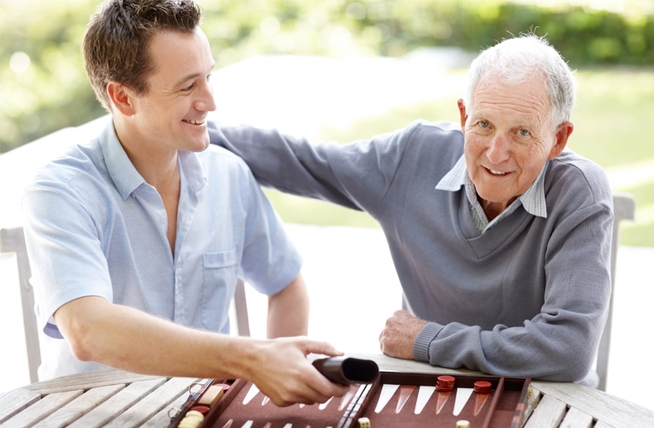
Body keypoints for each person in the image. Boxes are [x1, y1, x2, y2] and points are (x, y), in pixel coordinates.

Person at [208, 33, 614, 385]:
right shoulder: (413, 156)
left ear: (558, 139)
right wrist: (194, 130)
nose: (496, 153)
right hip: (429, 387)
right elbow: (307, 162)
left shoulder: (579, 192)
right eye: (483, 124)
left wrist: (428, 339)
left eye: (522, 132)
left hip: (543, 396)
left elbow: (568, 349)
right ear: (463, 116)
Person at [22, 0, 348, 406]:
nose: (210, 101)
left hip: (205, 418)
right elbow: (89, 330)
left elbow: (286, 285)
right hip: (91, 424)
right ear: (123, 98)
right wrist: (251, 360)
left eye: (208, 77)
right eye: (188, 86)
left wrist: (276, 378)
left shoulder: (229, 175)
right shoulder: (61, 191)